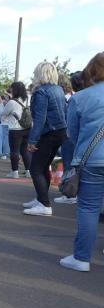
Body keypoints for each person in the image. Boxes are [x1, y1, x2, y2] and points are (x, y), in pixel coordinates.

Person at [59, 53, 104, 271]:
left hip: (92, 159)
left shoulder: (81, 98)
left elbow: (72, 134)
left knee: (89, 208)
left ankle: (82, 258)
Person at [22, 62, 67, 217]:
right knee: (43, 167)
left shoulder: (41, 92)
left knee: (35, 168)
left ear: (40, 74)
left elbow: (40, 119)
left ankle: (44, 204)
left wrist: (32, 140)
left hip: (48, 133)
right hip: (60, 131)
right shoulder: (58, 89)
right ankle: (40, 199)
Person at [2, 82, 31, 179]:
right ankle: (28, 171)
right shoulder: (28, 100)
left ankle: (15, 172)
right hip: (27, 128)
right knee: (25, 151)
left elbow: (4, 113)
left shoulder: (12, 102)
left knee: (14, 151)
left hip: (15, 129)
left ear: (15, 90)